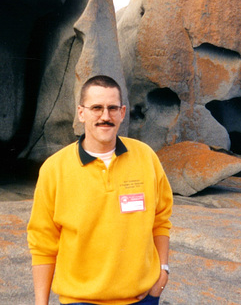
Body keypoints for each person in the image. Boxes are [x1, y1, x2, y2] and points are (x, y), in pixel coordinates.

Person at [27, 75, 173, 305]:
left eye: (112, 108)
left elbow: (160, 219)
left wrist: (162, 271)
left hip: (143, 299)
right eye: (96, 108)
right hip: (81, 300)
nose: (105, 116)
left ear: (123, 112)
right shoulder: (54, 170)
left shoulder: (146, 158)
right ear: (81, 113)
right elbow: (43, 243)